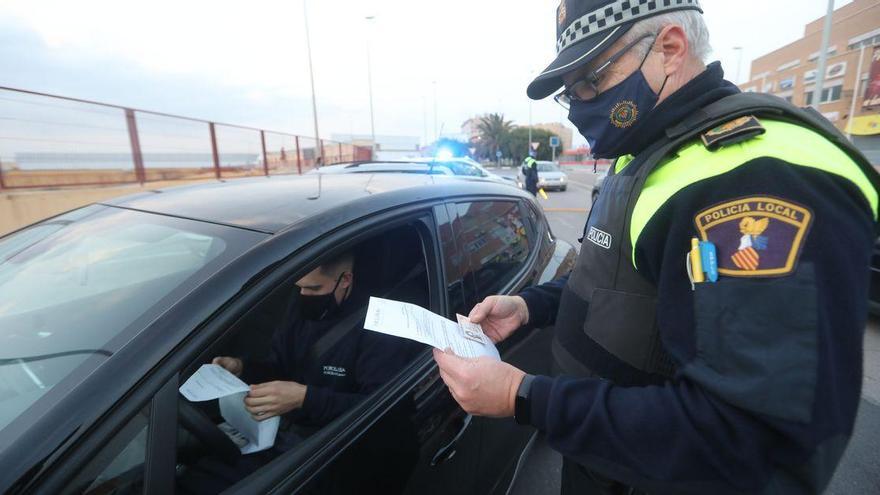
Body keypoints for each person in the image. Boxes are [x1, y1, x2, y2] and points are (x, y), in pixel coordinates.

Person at [433, 1, 880, 494]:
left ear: (670, 48)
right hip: (602, 461)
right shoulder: (645, 153)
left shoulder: (756, 177)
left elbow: (750, 440)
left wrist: (523, 396)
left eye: (593, 79)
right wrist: (529, 306)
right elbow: (615, 278)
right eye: (571, 92)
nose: (581, 103)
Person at [181, 253, 422, 493]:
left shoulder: (381, 328)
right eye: (300, 288)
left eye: (314, 288)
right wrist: (243, 367)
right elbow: (280, 367)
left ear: (346, 279)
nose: (304, 296)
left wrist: (304, 398)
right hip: (278, 434)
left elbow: (382, 409)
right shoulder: (300, 308)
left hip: (336, 450)